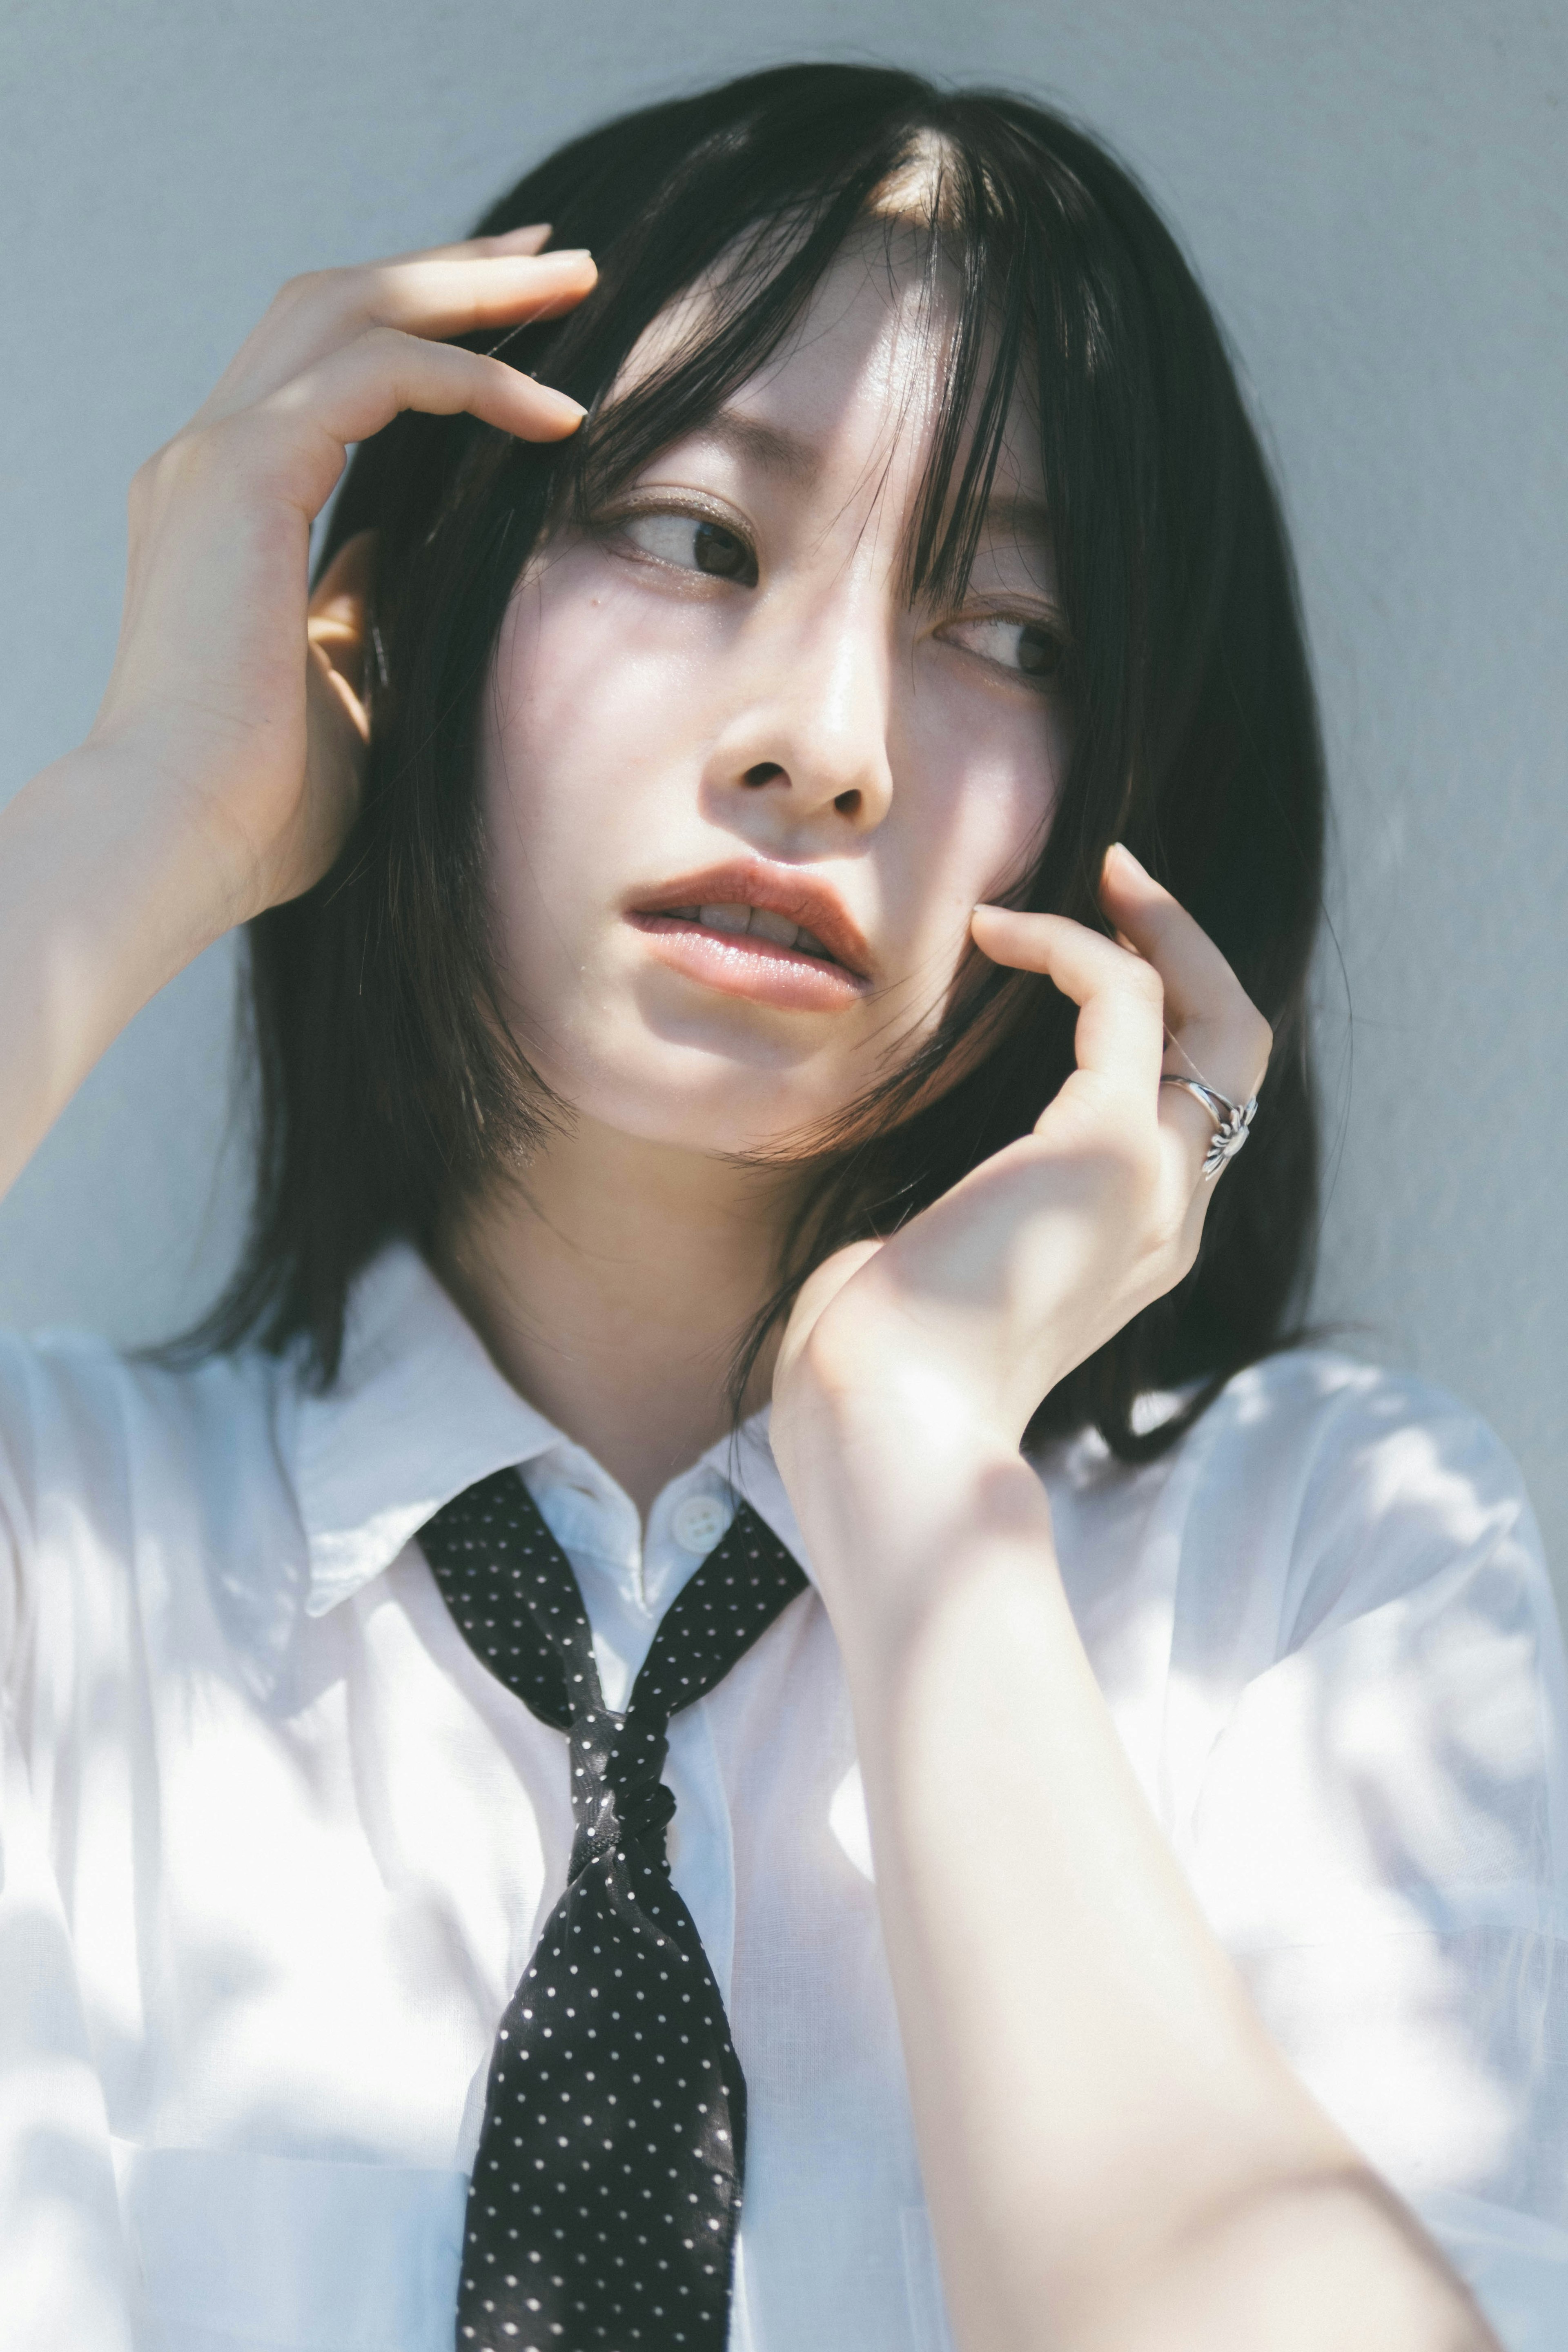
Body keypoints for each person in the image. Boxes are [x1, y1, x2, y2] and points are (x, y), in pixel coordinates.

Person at [0, 58, 1560, 2352]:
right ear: (416, 619)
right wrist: (161, 806)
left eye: (1006, 635)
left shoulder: (1315, 1570)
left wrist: (919, 1471)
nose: (826, 737)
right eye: (701, 538)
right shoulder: (67, 1554)